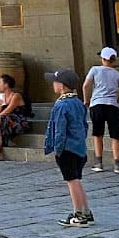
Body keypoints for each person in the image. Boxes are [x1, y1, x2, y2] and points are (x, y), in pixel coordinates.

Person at [44, 68, 93, 226]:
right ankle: (86, 211)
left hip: (67, 149)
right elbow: (84, 126)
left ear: (62, 86)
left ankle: (78, 213)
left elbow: (60, 129)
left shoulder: (61, 105)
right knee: (77, 179)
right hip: (79, 147)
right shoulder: (78, 103)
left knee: (72, 181)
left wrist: (57, 149)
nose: (53, 84)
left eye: (55, 82)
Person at [83, 46, 119, 173]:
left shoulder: (95, 69)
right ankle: (118, 163)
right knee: (115, 135)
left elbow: (86, 85)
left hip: (97, 104)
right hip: (112, 106)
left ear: (102, 59)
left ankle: (98, 162)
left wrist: (86, 100)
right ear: (114, 60)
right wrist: (118, 99)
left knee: (97, 133)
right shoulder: (117, 74)